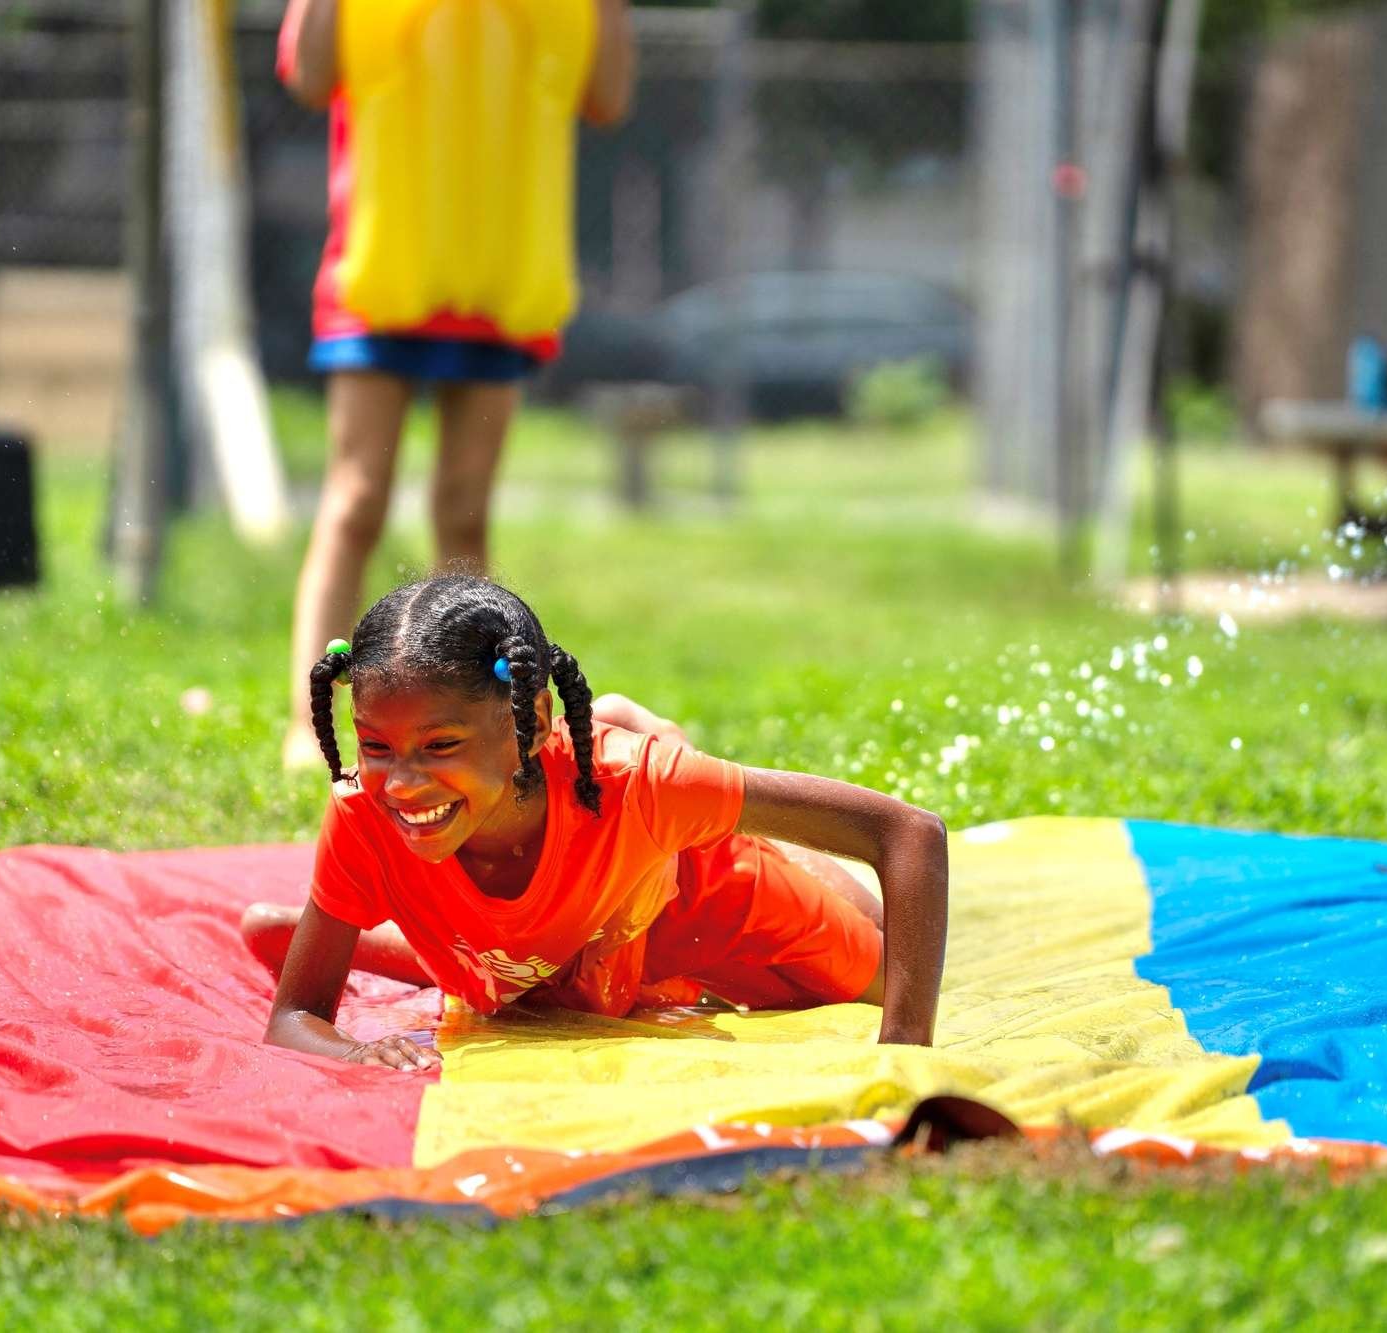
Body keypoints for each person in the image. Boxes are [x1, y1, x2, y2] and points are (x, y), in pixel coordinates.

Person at [243, 575, 949, 1069]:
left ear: (537, 723)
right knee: (530, 992)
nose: (400, 781)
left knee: (883, 972)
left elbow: (909, 833)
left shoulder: (639, 785)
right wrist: (356, 1051)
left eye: (441, 746)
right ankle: (429, 943)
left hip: (679, 897)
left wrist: (904, 1055)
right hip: (538, 957)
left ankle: (701, 795)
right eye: (375, 746)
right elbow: (293, 1017)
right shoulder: (367, 811)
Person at [276, 0, 638, 769]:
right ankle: (311, 728)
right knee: (357, 498)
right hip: (380, 273)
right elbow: (310, 75)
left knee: (464, 513)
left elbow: (605, 97)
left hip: (496, 281)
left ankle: (465, 717)